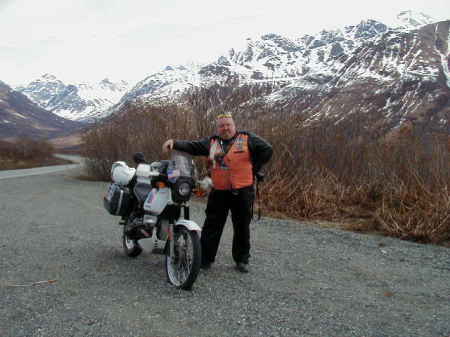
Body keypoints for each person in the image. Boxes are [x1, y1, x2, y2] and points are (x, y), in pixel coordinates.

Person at [162, 112, 273, 273]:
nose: (225, 128)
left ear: (234, 126)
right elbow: (193, 146)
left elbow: (267, 150)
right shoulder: (211, 142)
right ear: (218, 128)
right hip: (219, 191)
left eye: (228, 125)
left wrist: (254, 168)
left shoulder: (248, 138)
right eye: (222, 125)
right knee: (212, 226)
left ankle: (241, 259)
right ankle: (205, 260)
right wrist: (174, 143)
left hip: (243, 191)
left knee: (242, 227)